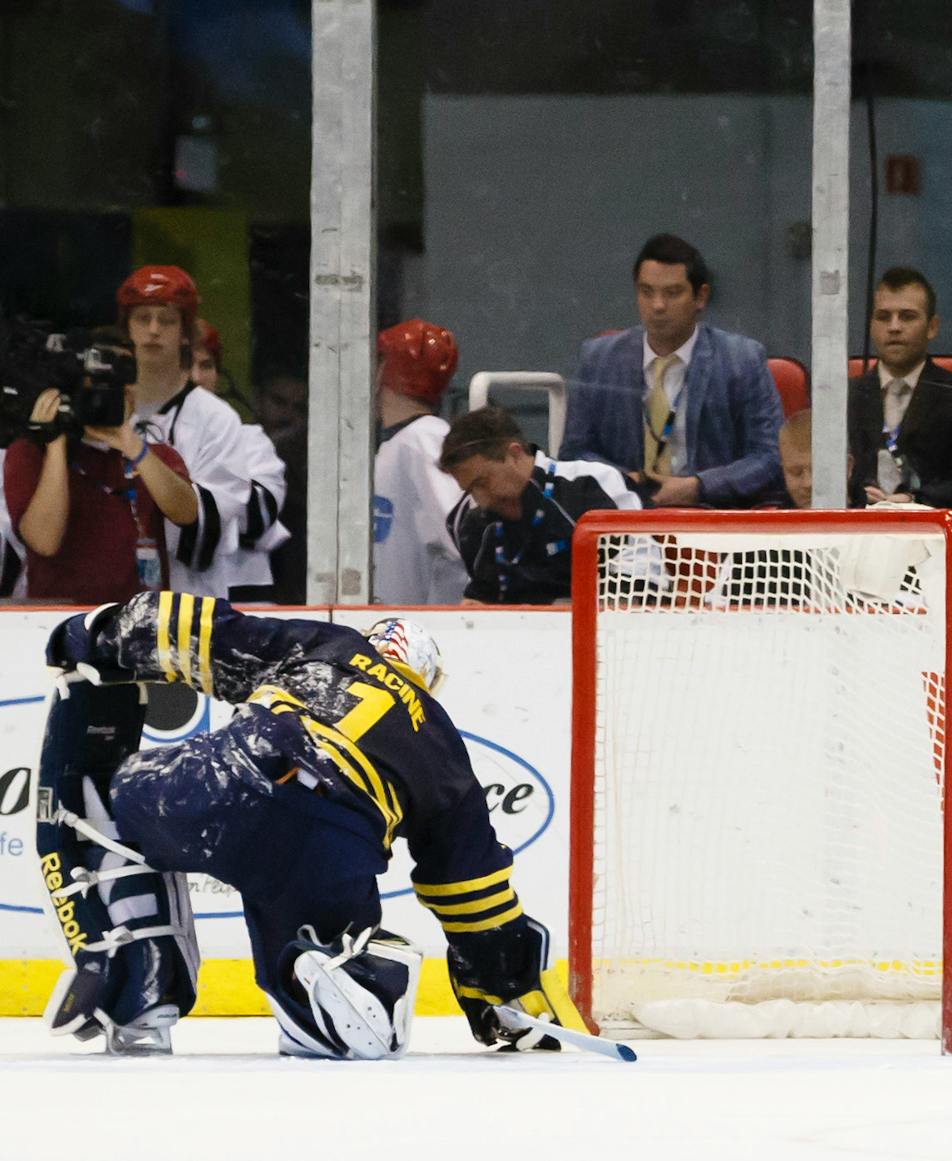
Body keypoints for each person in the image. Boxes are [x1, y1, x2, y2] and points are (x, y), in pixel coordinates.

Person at [36, 597, 580, 1057]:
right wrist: (501, 985)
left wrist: (93, 634)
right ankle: (337, 972)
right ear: (427, 679)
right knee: (314, 957)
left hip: (228, 779)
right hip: (332, 846)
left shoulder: (333, 646)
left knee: (108, 795)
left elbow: (198, 629)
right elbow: (472, 892)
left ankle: (139, 980)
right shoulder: (441, 743)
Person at [561, 234, 785, 510]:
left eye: (672, 293)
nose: (657, 306)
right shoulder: (598, 359)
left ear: (700, 297)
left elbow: (768, 457)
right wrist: (619, 479)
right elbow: (574, 453)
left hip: (711, 517)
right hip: (625, 519)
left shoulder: (742, 360)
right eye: (646, 292)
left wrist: (700, 486)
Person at [118, 266, 288, 601]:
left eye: (166, 320)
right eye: (142, 318)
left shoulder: (216, 419)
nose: (153, 330)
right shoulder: (102, 407)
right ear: (126, 328)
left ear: (185, 332)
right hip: (110, 599)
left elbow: (205, 532)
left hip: (190, 609)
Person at [4, 378, 197, 602]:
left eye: (124, 381)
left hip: (139, 618)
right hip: (59, 621)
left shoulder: (154, 454)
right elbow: (44, 542)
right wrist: (55, 441)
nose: (112, 394)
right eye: (99, 384)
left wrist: (133, 446)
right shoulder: (30, 453)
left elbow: (188, 513)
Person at [439, 407, 641, 604]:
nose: (481, 501)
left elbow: (642, 580)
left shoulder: (592, 483)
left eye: (482, 482)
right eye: (470, 490)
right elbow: (482, 598)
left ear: (515, 454)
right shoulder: (470, 524)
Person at [846, 267, 952, 509]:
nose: (894, 327)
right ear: (871, 326)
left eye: (907, 316)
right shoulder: (845, 398)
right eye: (883, 317)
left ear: (932, 327)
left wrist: (913, 501)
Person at [371, 319, 467, 606]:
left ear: (380, 373)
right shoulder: (400, 443)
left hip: (425, 632)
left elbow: (465, 539)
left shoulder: (426, 440)